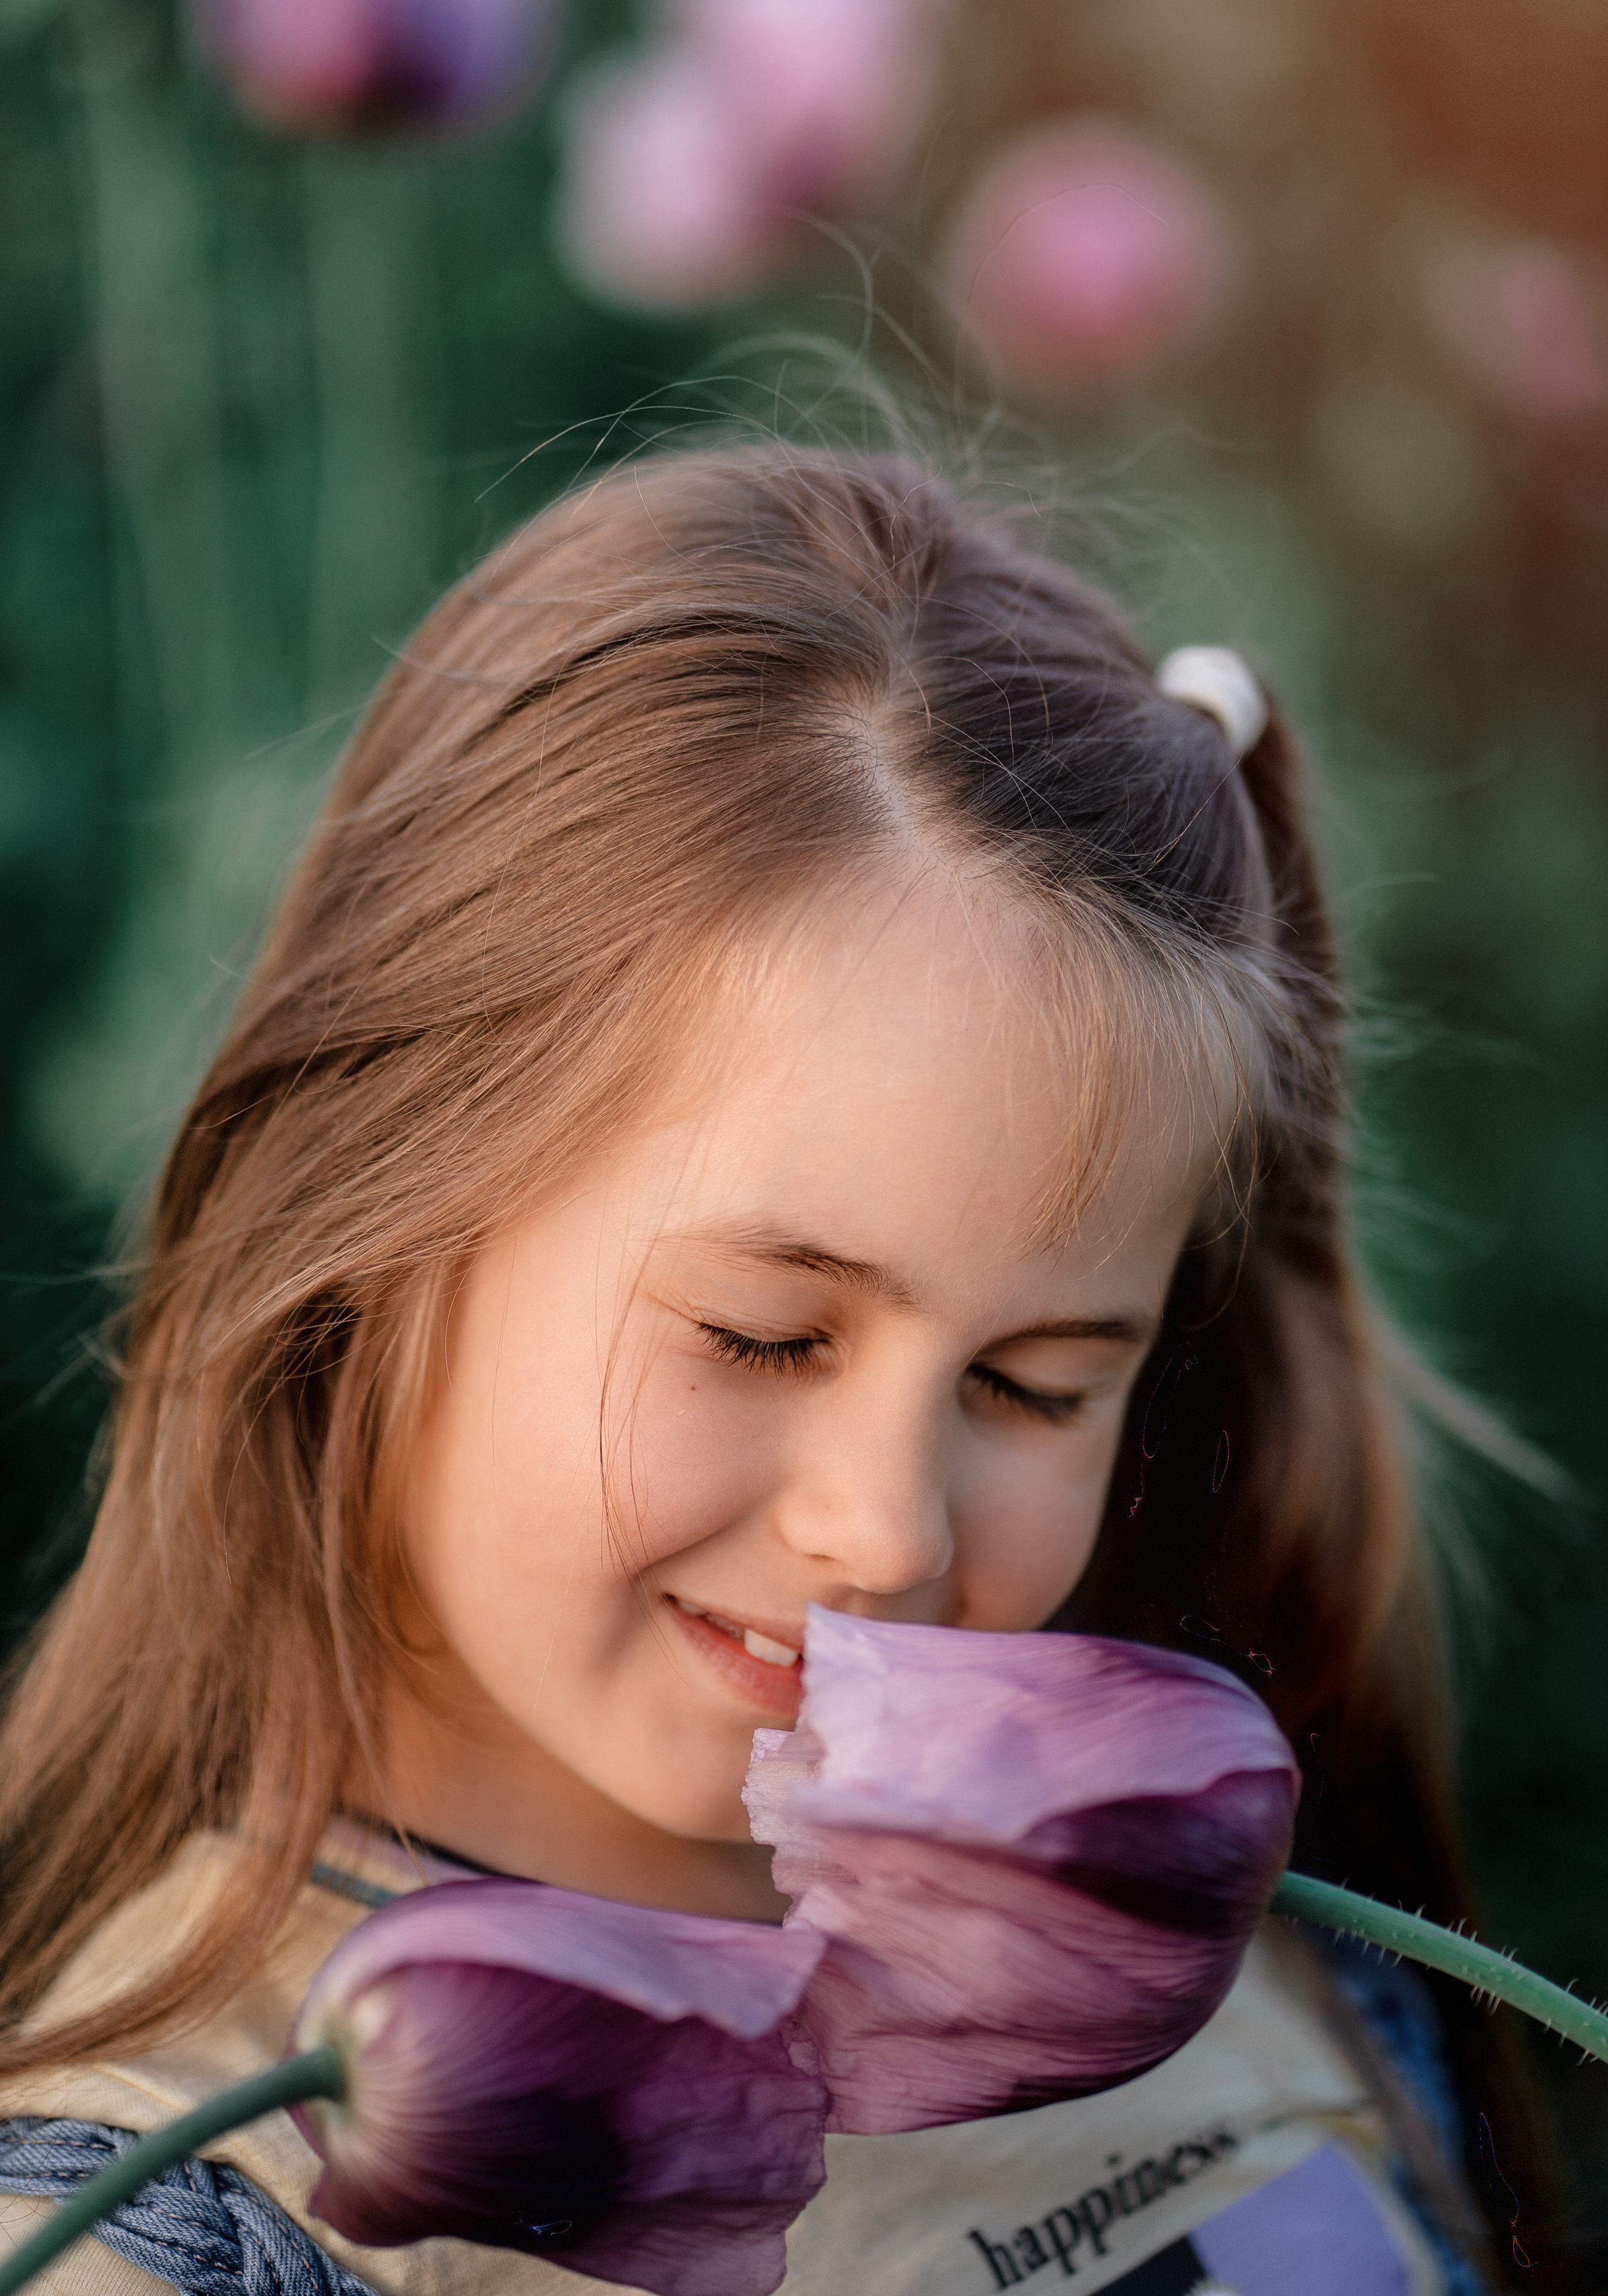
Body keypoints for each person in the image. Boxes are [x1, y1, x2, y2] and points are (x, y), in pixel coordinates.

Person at [0, 445, 1562, 2293]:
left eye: (1037, 1388)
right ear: (374, 1206)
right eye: (764, 1333)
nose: (884, 1533)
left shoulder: (1227, 1948)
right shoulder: (159, 2213)